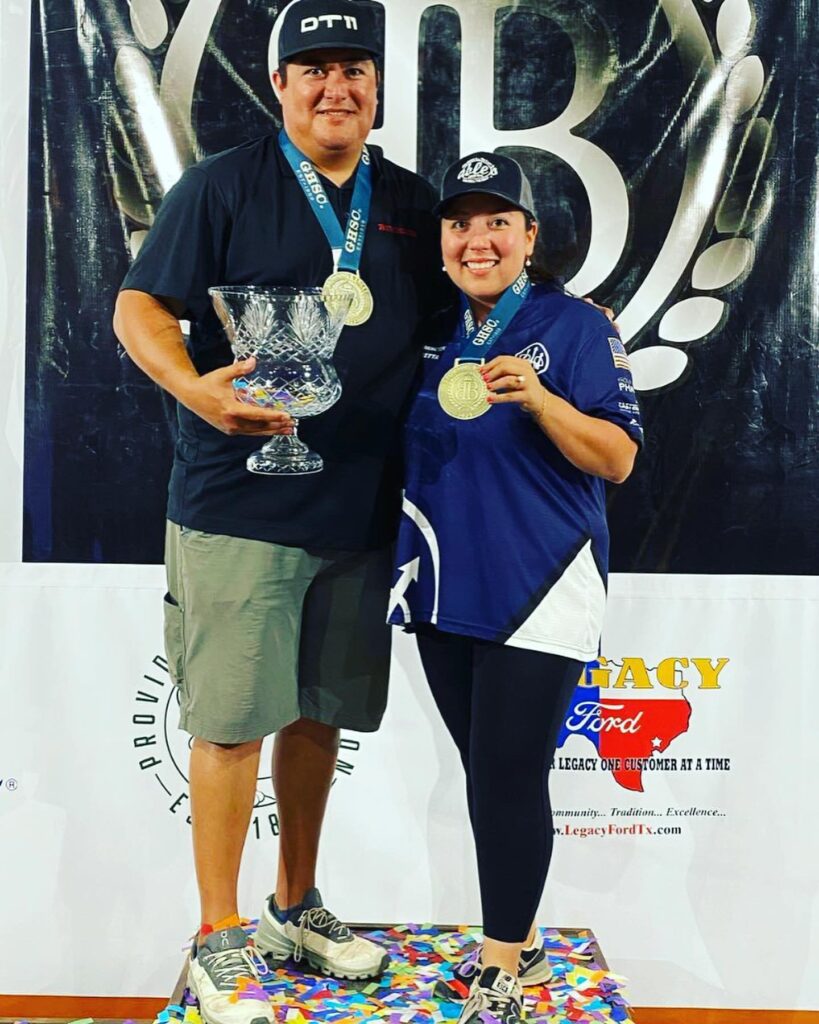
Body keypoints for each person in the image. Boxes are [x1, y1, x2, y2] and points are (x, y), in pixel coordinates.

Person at [112, 3, 449, 1022]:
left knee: (317, 717)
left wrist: (559, 324)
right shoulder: (222, 185)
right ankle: (218, 938)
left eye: (354, 66)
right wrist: (201, 388)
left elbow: (451, 324)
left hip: (358, 505)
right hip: (238, 506)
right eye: (313, 68)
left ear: (378, 86)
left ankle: (292, 905)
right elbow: (140, 308)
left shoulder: (406, 202)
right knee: (226, 724)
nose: (334, 85)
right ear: (280, 85)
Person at [387, 152, 643, 1024]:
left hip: (542, 580)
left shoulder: (573, 327)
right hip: (441, 578)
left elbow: (616, 460)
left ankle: (503, 965)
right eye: (459, 223)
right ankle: (522, 939)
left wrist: (539, 400)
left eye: (497, 221)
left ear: (529, 238)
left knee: (503, 775)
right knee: (487, 771)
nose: (476, 238)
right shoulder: (428, 329)